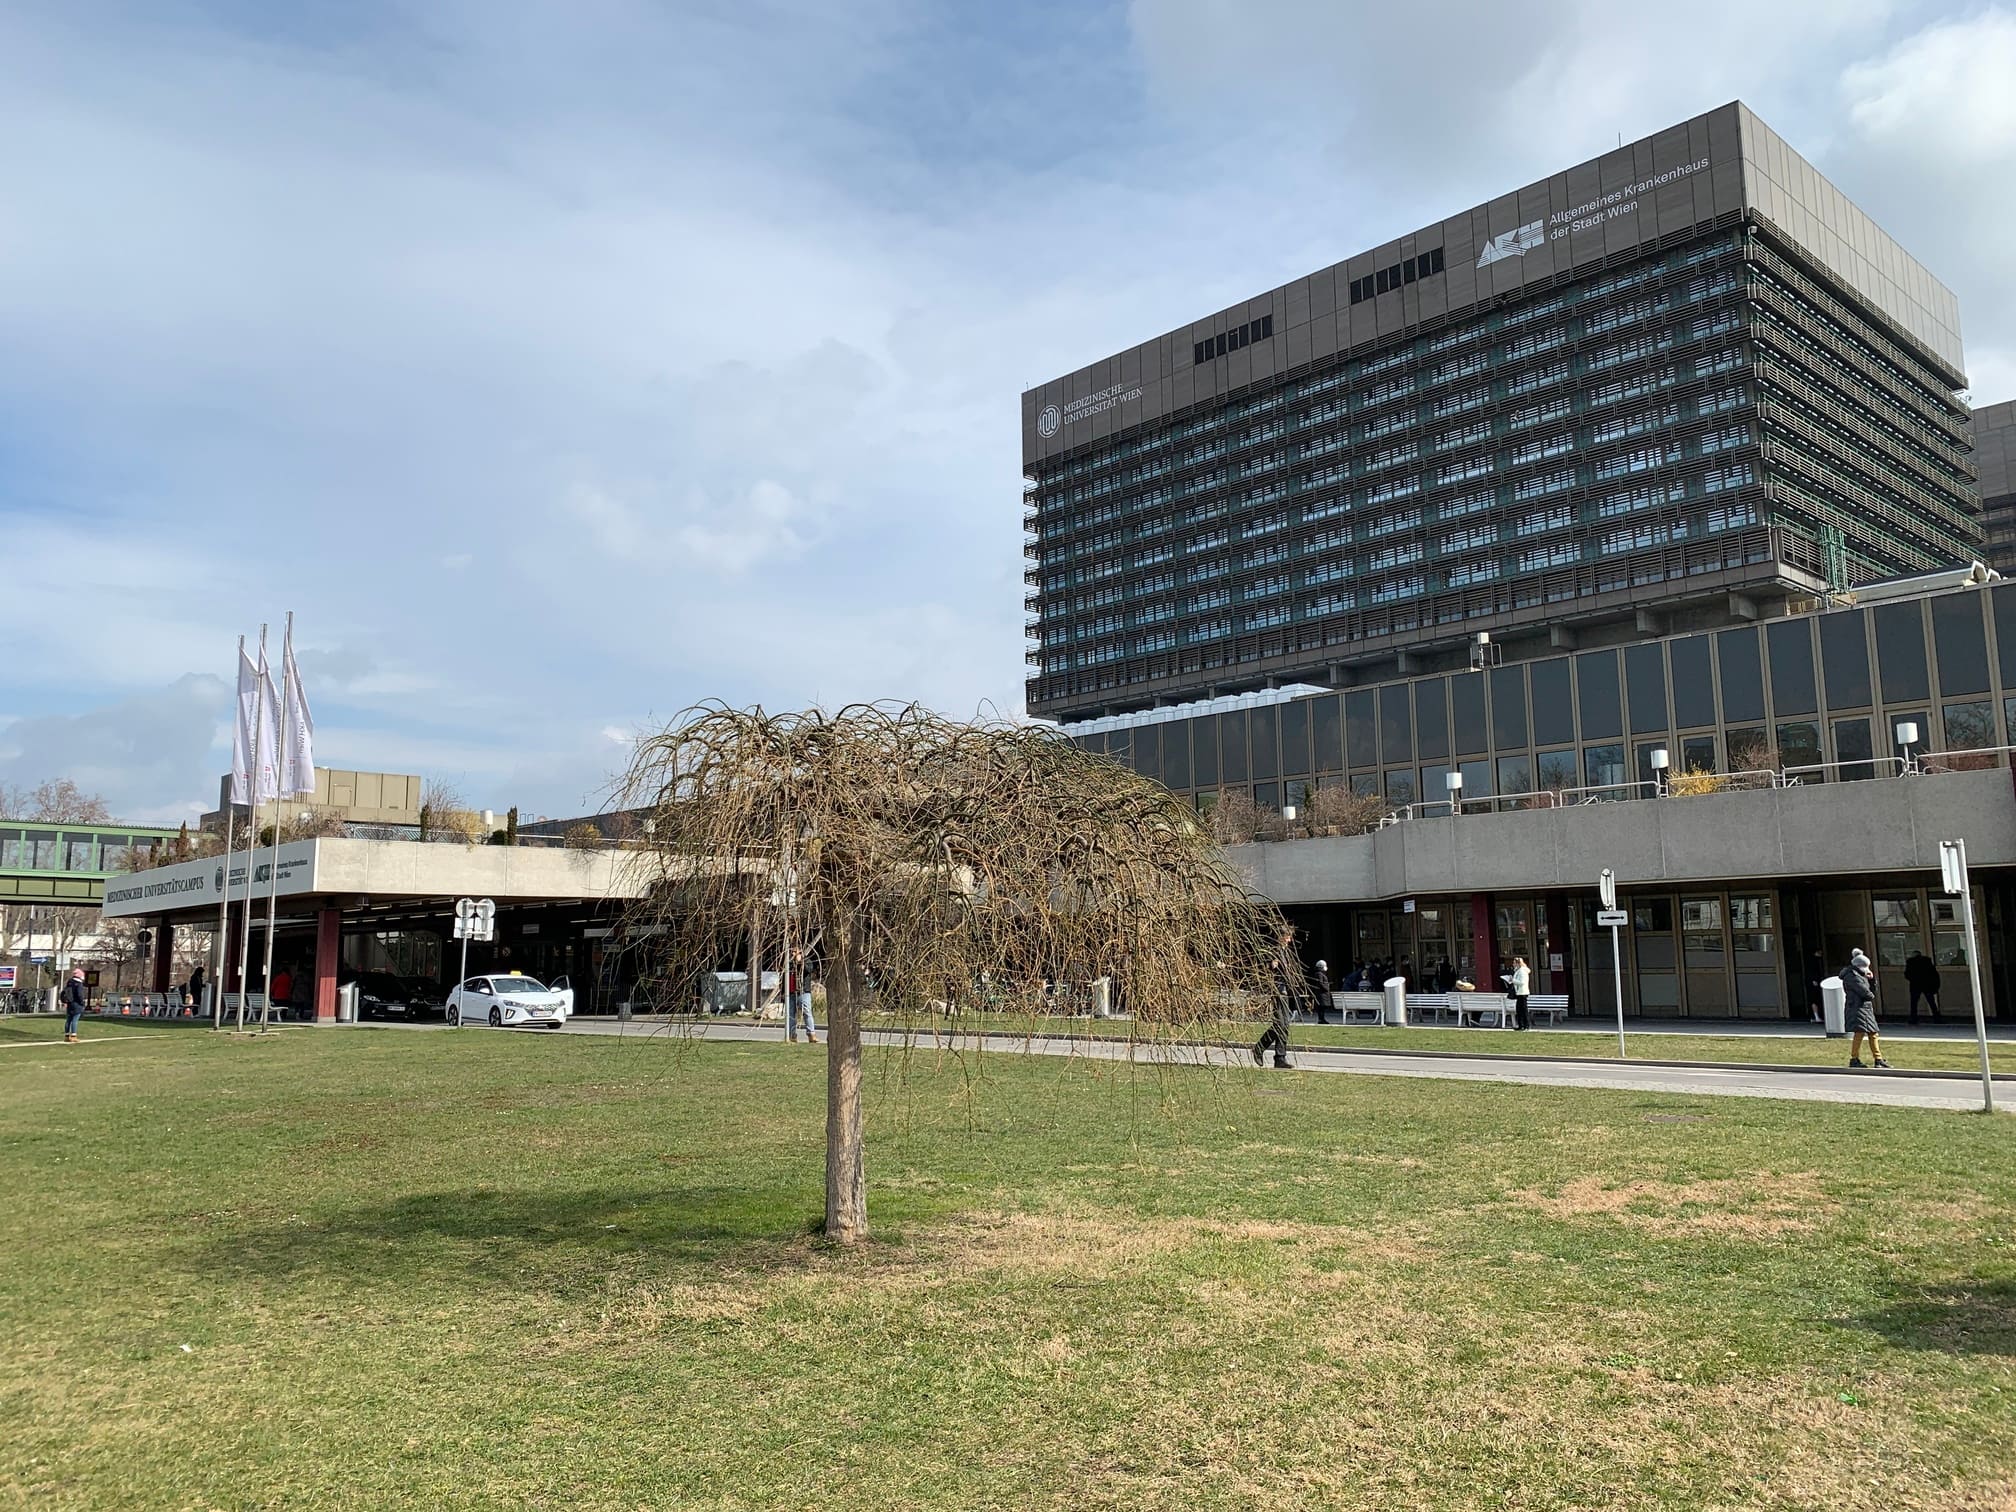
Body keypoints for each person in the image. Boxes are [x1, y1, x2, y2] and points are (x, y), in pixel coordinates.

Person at [1253, 929, 1306, 1069]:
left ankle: (1280, 1058)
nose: (1290, 940)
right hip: (1277, 990)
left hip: (1285, 991)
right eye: (1288, 937)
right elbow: (1264, 967)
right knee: (1280, 1025)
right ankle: (1260, 1048)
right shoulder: (1273, 950)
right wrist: (1271, 965)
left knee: (1284, 1024)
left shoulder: (1286, 952)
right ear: (1281, 937)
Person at [1844, 948, 1890, 1069]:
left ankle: (1878, 1059)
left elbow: (1871, 991)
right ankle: (1854, 1058)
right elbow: (1866, 993)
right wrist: (1870, 991)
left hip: (1864, 1008)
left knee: (1872, 1033)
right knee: (1859, 1033)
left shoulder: (1860, 975)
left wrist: (1872, 980)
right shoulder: (1852, 977)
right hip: (1857, 1008)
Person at [786, 948, 818, 1044]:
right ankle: (792, 1035)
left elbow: (808, 970)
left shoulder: (807, 961)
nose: (793, 953)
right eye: (791, 951)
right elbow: (784, 976)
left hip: (803, 991)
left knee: (807, 1012)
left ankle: (811, 1034)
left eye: (795, 952)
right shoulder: (789, 963)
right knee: (791, 1014)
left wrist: (800, 962)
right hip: (791, 993)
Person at [1903, 949, 1941, 1024]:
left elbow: (1907, 974)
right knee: (1931, 1001)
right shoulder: (1927, 961)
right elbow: (1933, 973)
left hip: (1915, 984)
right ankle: (1937, 1018)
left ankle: (1914, 1018)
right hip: (1926, 984)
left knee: (1914, 1003)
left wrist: (1912, 979)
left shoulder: (1911, 962)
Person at [62, 967, 88, 1043]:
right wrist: (82, 1003)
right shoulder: (79, 984)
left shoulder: (69, 982)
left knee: (68, 1020)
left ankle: (67, 1036)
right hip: (77, 1003)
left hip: (70, 1002)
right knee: (75, 1020)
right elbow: (80, 995)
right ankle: (73, 1036)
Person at [1508, 954, 1532, 1030]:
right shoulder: (1517, 971)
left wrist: (1513, 980)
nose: (1513, 964)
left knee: (1523, 1009)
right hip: (1519, 992)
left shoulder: (1522, 971)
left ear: (1518, 963)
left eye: (1514, 963)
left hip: (1523, 992)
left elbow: (1522, 982)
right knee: (1519, 1009)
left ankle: (1526, 1025)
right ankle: (1521, 1025)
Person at [1310, 959, 1332, 1024]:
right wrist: (1326, 988)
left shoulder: (1320, 974)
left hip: (1322, 993)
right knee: (1321, 1007)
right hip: (1322, 993)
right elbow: (1320, 983)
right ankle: (1321, 1019)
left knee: (1322, 1007)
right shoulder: (1319, 974)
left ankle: (1322, 1019)